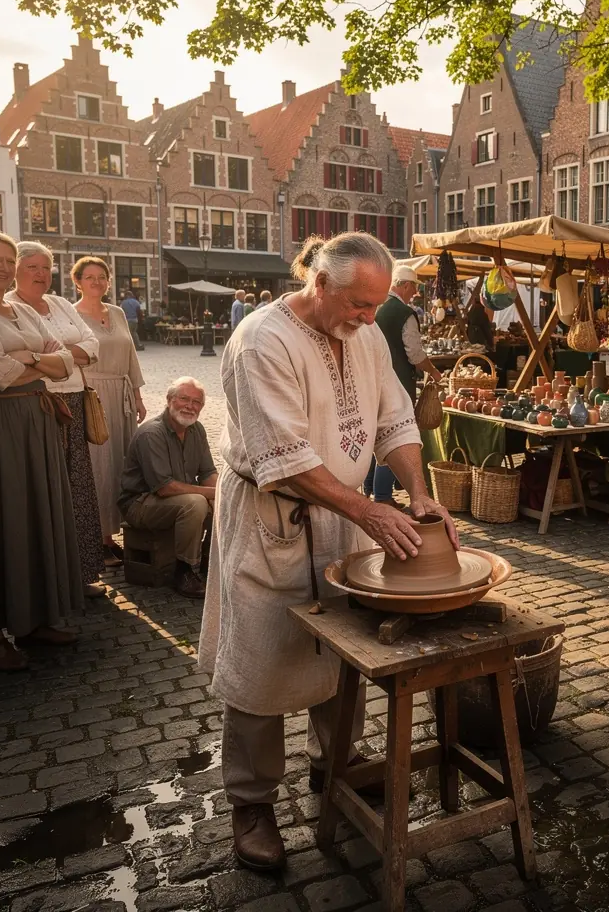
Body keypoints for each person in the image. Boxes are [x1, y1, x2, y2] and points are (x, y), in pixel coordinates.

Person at [198, 232, 457, 872]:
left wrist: (418, 493)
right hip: (271, 517)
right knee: (261, 661)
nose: (370, 319)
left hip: (342, 516)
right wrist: (370, 509)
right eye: (360, 305)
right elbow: (282, 457)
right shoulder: (262, 339)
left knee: (343, 649)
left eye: (375, 307)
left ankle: (334, 759)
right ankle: (252, 801)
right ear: (320, 281)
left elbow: (395, 420)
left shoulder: (364, 335)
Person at [0, 230, 83, 671]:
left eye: (8, 259)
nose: (2, 266)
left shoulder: (19, 310)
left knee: (37, 517)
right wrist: (37, 358)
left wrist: (28, 357)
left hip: (36, 421)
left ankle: (32, 621)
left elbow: (66, 361)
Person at [10, 242, 105, 596]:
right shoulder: (10, 308)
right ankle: (47, 580)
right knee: (46, 489)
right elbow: (19, 359)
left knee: (77, 487)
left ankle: (80, 574)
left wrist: (54, 357)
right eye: (32, 266)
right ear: (16, 270)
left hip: (76, 403)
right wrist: (61, 357)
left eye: (45, 267)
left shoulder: (62, 304)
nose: (40, 274)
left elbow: (94, 344)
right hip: (39, 404)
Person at [73, 257, 147, 566]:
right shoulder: (72, 315)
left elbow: (130, 356)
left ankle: (112, 536)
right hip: (93, 396)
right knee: (98, 466)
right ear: (77, 282)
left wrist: (138, 396)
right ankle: (97, 540)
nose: (97, 282)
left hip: (122, 396)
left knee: (120, 464)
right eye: (89, 277)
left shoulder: (117, 312)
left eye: (102, 277)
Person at [119, 377, 217, 599]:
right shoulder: (152, 433)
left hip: (173, 499)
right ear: (169, 400)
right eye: (184, 399)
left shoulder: (196, 430)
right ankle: (184, 571)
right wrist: (212, 494)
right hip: (140, 503)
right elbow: (164, 488)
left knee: (222, 500)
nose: (190, 406)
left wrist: (223, 493)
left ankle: (210, 561)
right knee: (196, 503)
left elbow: (208, 472)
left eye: (197, 402)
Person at [366, 265, 442, 508]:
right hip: (396, 382)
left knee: (372, 436)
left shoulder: (375, 307)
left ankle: (368, 489)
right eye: (414, 289)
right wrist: (432, 370)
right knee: (393, 433)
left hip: (370, 380)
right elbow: (415, 354)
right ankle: (383, 496)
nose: (414, 295)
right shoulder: (404, 313)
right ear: (406, 285)